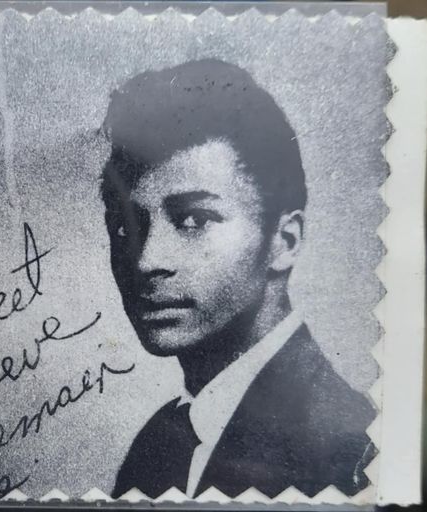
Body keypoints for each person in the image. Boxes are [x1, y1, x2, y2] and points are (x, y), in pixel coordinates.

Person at [101, 59, 375, 499]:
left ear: (284, 241)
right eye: (125, 227)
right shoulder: (159, 442)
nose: (147, 261)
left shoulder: (350, 452)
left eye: (194, 220)